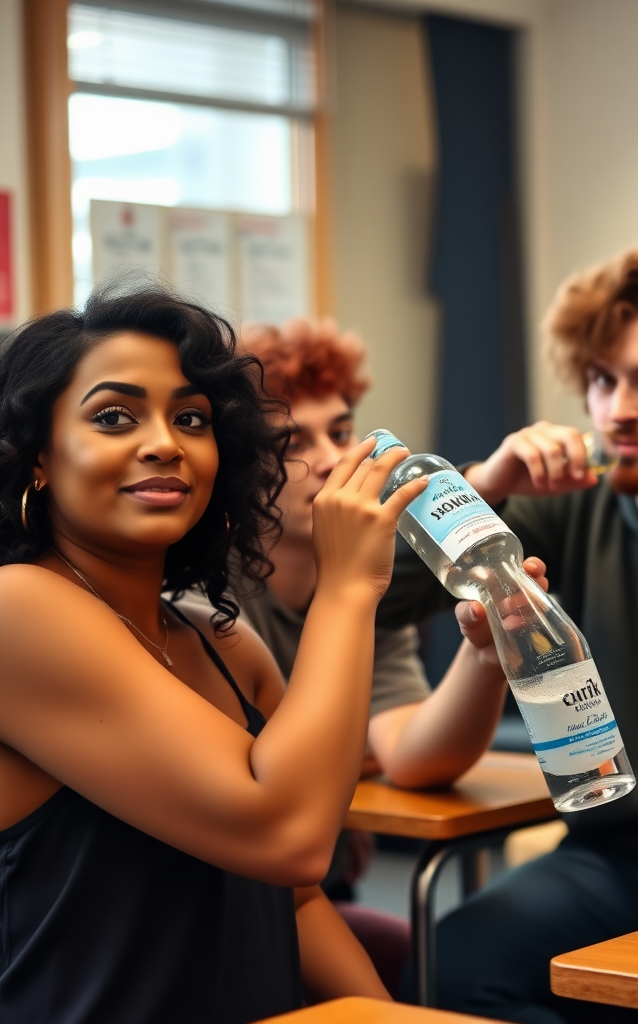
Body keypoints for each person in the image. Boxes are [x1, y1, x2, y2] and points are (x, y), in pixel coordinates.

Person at [0, 286, 430, 1023]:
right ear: (37, 459)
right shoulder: (17, 609)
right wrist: (349, 586)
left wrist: (388, 1014)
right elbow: (290, 837)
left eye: (191, 418)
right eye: (113, 416)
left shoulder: (221, 639)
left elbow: (294, 898)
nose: (165, 441)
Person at [376, 237, 638, 1023]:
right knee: (455, 962)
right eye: (601, 380)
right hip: (609, 850)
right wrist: (483, 484)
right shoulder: (572, 501)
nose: (616, 410)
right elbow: (377, 596)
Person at [232, 318, 548, 993]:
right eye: (290, 442)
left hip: (316, 885)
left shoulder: (363, 577)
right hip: (231, 891)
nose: (327, 458)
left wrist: (484, 655)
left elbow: (410, 755)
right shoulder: (210, 591)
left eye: (341, 433)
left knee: (436, 961)